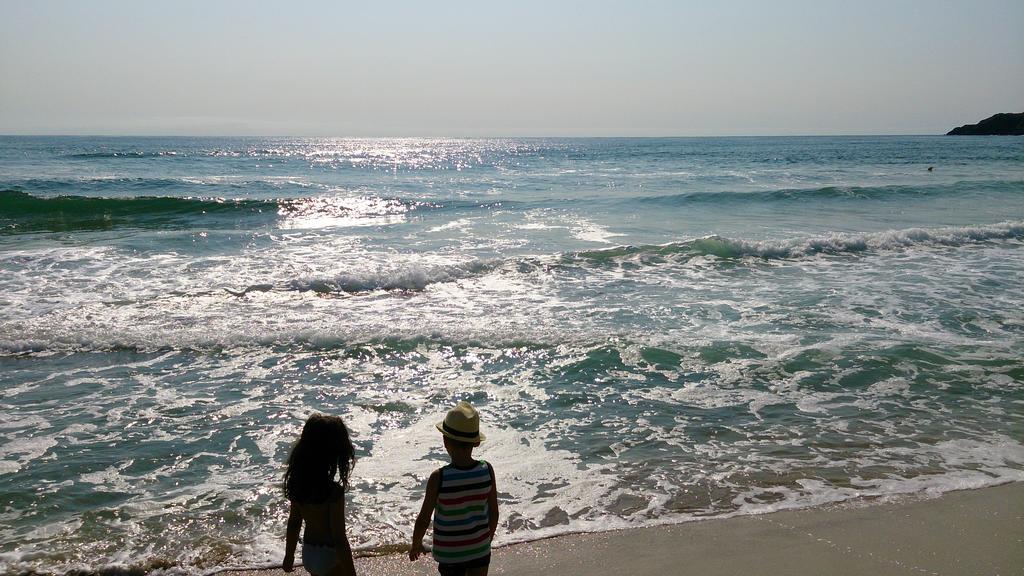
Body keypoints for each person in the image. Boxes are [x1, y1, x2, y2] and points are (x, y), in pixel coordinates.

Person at [410, 401, 499, 576]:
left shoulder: (439, 477)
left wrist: (416, 543)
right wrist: (486, 541)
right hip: (480, 549)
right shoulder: (486, 470)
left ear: (445, 440)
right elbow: (494, 513)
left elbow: (423, 518)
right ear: (476, 443)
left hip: (450, 554)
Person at [282, 413, 357, 576]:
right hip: (330, 554)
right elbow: (339, 538)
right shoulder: (333, 492)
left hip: (309, 553)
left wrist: (288, 556)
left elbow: (294, 522)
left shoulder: (299, 486)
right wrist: (352, 573)